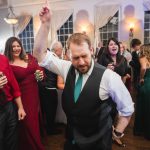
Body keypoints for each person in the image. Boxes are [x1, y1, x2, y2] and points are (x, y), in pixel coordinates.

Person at [33, 6, 134, 150]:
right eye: (75, 57)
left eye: (84, 56)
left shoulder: (109, 77)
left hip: (98, 144)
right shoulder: (66, 68)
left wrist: (117, 133)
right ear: (68, 55)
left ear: (91, 51)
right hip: (71, 141)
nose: (80, 62)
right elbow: (39, 55)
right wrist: (45, 24)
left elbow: (127, 108)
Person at [4, 37, 45, 150]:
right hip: (22, 98)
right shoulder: (8, 64)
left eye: (18, 46)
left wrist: (41, 74)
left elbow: (39, 69)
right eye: (13, 47)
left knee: (35, 123)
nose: (17, 48)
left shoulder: (29, 57)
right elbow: (9, 85)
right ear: (9, 48)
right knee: (27, 125)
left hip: (35, 96)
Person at [0, 54, 26, 150]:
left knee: (12, 138)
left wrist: (20, 107)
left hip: (8, 105)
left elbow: (13, 84)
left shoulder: (3, 59)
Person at [134, 44, 150, 140]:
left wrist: (141, 78)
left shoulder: (143, 57)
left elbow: (143, 68)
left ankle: (142, 130)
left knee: (143, 106)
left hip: (147, 84)